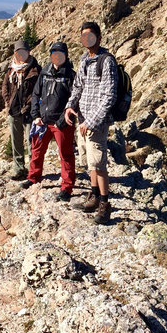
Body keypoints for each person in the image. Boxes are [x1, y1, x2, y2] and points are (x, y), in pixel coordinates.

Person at [65, 21, 116, 224]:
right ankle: (94, 196)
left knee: (99, 163)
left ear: (99, 37)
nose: (87, 40)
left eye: (90, 36)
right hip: (82, 120)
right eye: (83, 36)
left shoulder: (107, 61)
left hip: (96, 122)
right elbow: (77, 87)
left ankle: (105, 204)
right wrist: (70, 106)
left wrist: (92, 122)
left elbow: (109, 96)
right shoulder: (85, 59)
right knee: (89, 162)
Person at [21, 42, 76, 200]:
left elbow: (74, 101)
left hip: (61, 123)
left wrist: (62, 121)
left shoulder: (71, 76)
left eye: (60, 53)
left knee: (65, 154)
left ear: (66, 55)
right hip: (42, 121)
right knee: (36, 151)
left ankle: (67, 187)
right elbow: (36, 94)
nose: (57, 56)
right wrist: (35, 115)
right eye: (54, 53)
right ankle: (33, 177)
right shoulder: (45, 73)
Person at [1, 39, 41, 180]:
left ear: (28, 52)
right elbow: (5, 87)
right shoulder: (11, 69)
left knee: (31, 142)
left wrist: (30, 106)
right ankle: (18, 169)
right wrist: (8, 101)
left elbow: (37, 91)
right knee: (16, 142)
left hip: (29, 111)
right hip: (14, 111)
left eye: (23, 52)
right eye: (18, 52)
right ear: (15, 53)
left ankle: (32, 171)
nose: (21, 55)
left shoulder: (36, 69)